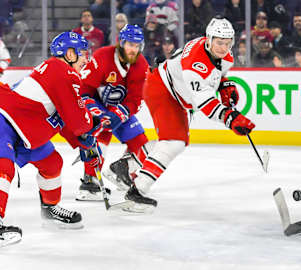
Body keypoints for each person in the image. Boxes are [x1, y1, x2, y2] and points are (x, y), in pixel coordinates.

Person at [129, 17, 256, 212]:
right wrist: (231, 119)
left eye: (227, 43)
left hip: (174, 91)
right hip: (162, 89)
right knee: (173, 142)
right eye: (219, 42)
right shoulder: (195, 65)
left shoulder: (223, 55)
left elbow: (218, 73)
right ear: (209, 39)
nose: (223, 48)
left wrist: (224, 84)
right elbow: (205, 104)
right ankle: (137, 190)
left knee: (176, 140)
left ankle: (127, 164)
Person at [0, 32, 104, 246]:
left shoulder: (58, 73)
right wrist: (91, 127)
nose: (86, 58)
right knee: (4, 168)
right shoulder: (63, 71)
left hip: (23, 131)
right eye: (82, 53)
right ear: (69, 53)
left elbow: (64, 120)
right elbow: (78, 122)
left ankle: (50, 209)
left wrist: (82, 142)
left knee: (52, 162)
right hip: (5, 122)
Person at [77, 24, 151, 201]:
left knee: (141, 145)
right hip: (96, 102)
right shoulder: (103, 56)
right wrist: (96, 113)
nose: (133, 49)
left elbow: (135, 100)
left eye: (137, 45)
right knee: (101, 134)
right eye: (130, 44)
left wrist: (118, 114)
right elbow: (84, 90)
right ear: (121, 43)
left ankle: (122, 173)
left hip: (119, 107)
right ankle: (90, 183)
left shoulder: (141, 65)